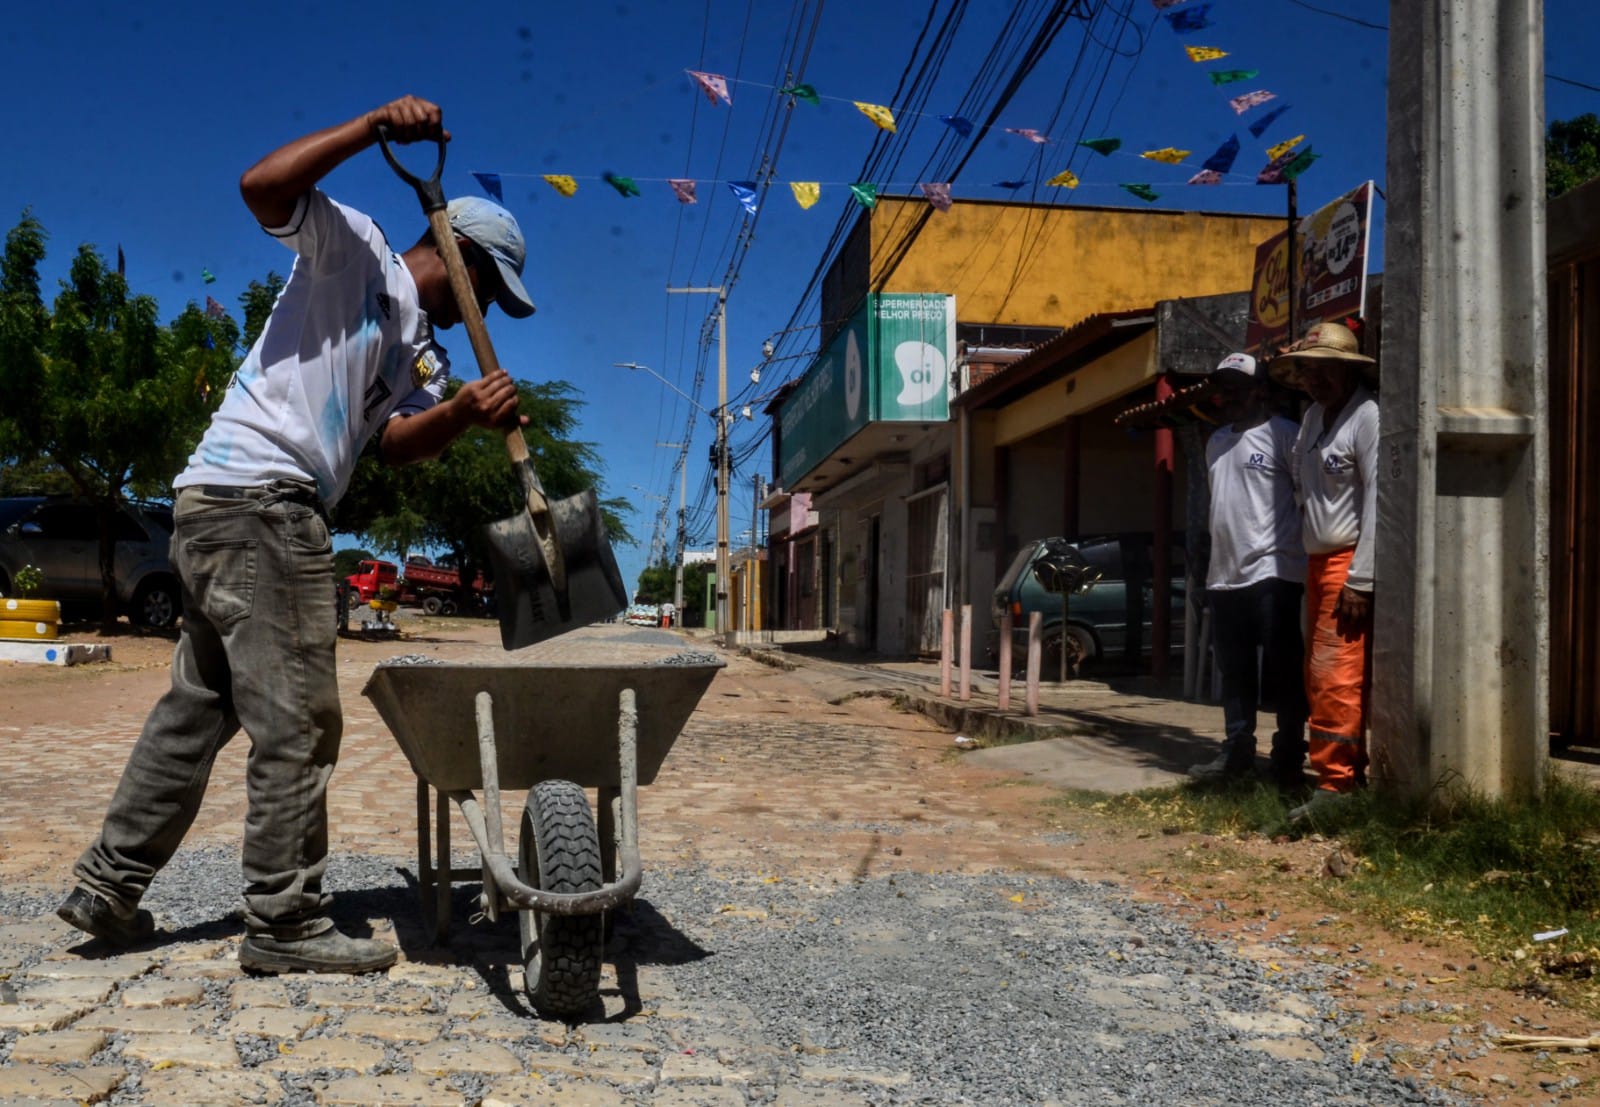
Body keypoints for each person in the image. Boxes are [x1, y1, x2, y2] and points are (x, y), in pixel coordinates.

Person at [58, 96, 537, 974]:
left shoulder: (412, 344)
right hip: (264, 504)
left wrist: (464, 414)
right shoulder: (354, 248)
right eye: (490, 292)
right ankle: (284, 918)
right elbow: (261, 188)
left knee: (195, 714)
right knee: (301, 721)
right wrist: (368, 131)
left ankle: (109, 882)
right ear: (459, 254)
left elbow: (393, 446)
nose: (490, 316)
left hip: (215, 504)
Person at [1269, 321, 1379, 823]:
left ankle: (1336, 788)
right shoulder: (1313, 417)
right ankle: (1344, 776)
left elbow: (1381, 498)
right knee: (1319, 677)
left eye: (1325, 371)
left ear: (1347, 370)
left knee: (1335, 677)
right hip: (1314, 562)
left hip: (1346, 562)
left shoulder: (1368, 418)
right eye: (1308, 371)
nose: (1316, 380)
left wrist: (1362, 576)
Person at [1187, 353, 1309, 790]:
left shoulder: (1285, 436)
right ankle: (1237, 752)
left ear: (1261, 390)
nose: (1230, 395)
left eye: (1239, 386)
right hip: (1224, 576)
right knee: (1236, 673)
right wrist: (1203, 566)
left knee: (1283, 672)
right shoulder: (1216, 441)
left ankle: (1288, 755)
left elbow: (1305, 498)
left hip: (1274, 571)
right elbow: (1218, 508)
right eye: (1225, 387)